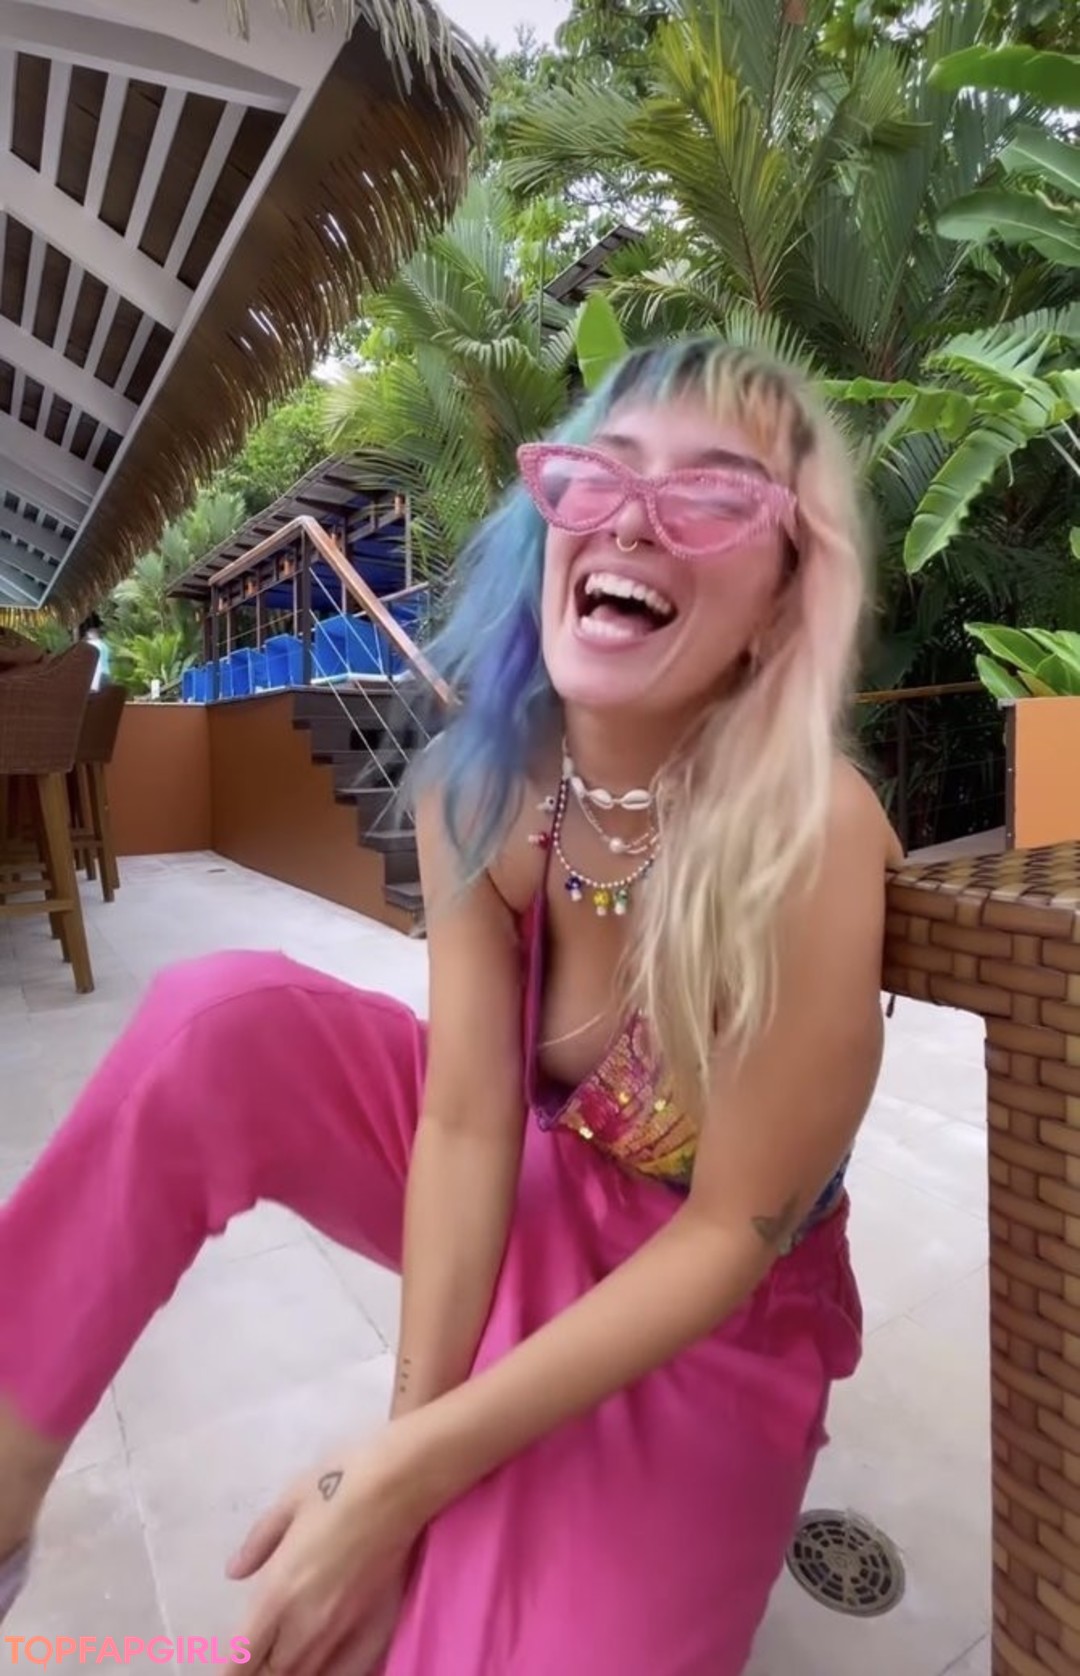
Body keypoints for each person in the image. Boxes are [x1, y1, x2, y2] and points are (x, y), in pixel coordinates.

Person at [0, 338, 902, 1675]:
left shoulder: (807, 834)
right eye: (602, 473)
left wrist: (403, 1480)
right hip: (532, 1183)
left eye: (714, 495)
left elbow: (728, 1239)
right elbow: (471, 1123)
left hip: (715, 1304)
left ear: (780, 601)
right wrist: (403, 1455)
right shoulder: (479, 790)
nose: (635, 518)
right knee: (217, 1022)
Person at [78, 612, 111, 690]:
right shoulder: (104, 645)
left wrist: (93, 686)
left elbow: (96, 665)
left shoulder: (90, 646)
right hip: (106, 674)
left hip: (96, 677)